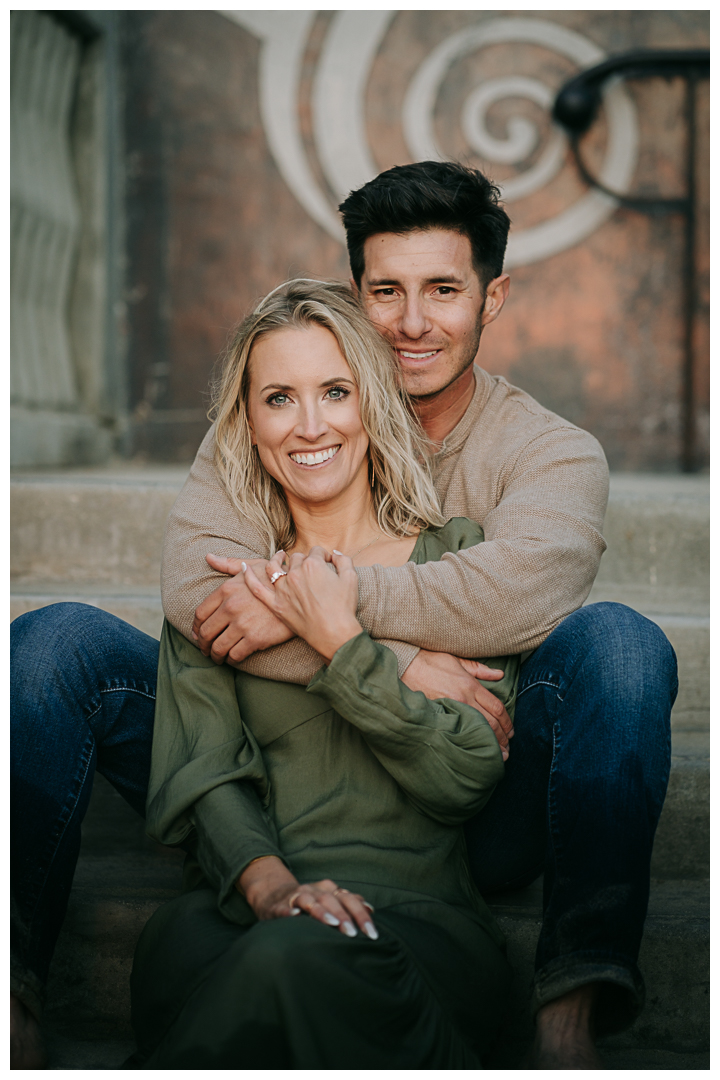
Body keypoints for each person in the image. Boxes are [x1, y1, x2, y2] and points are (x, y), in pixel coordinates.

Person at [10, 161, 677, 1070]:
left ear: (494, 297)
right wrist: (390, 656)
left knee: (625, 649)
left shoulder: (547, 452)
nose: (410, 322)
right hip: (278, 761)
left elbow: (515, 595)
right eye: (385, 292)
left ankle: (573, 1005)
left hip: (470, 793)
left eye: (443, 290)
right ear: (354, 296)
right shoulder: (279, 406)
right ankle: (13, 1001)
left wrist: (331, 609)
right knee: (52, 647)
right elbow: (196, 591)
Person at [126, 279, 518, 1068]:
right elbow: (204, 774)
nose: (311, 426)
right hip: (246, 904)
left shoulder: (456, 560)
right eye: (280, 398)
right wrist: (271, 888)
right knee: (186, 950)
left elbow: (464, 776)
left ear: (371, 402)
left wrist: (345, 643)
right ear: (249, 424)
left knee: (294, 961)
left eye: (335, 391)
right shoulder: (226, 589)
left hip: (417, 919)